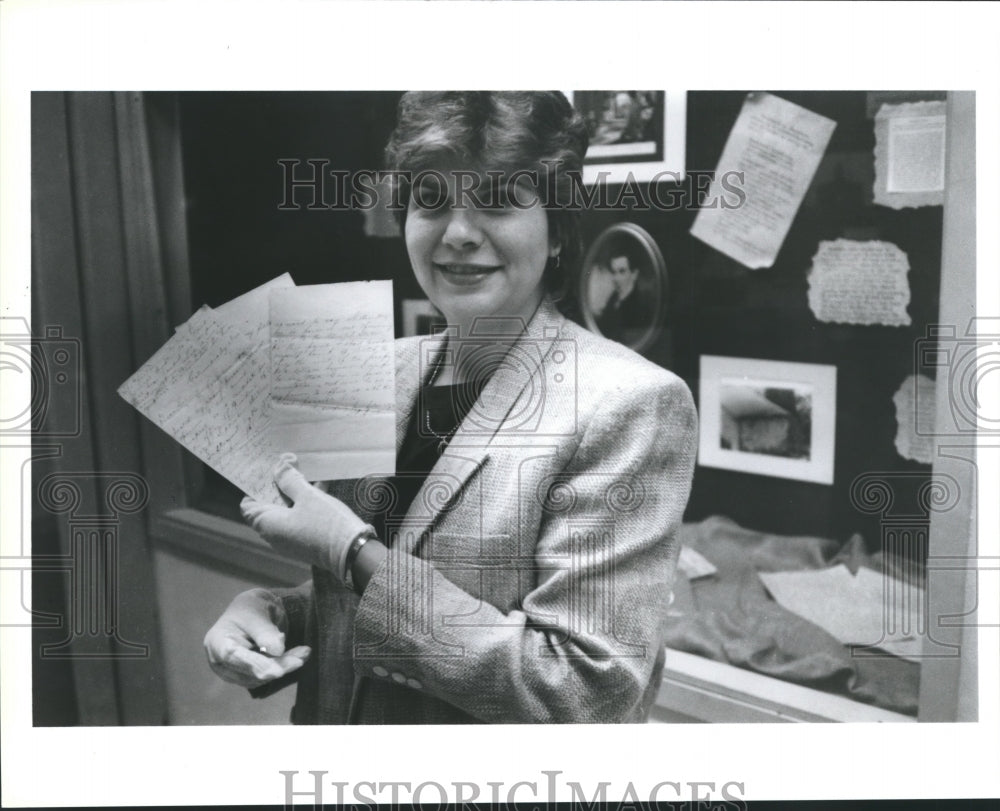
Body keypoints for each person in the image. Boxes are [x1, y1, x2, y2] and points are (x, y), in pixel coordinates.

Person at [203, 91, 698, 724]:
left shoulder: (627, 403)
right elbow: (373, 590)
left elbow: (582, 689)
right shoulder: (381, 368)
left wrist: (352, 551)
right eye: (431, 201)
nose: (459, 234)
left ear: (557, 232)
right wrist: (272, 610)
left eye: (496, 199)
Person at [594, 249, 654, 346]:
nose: (616, 278)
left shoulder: (640, 308)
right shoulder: (613, 299)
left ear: (634, 274)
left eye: (622, 271)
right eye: (614, 272)